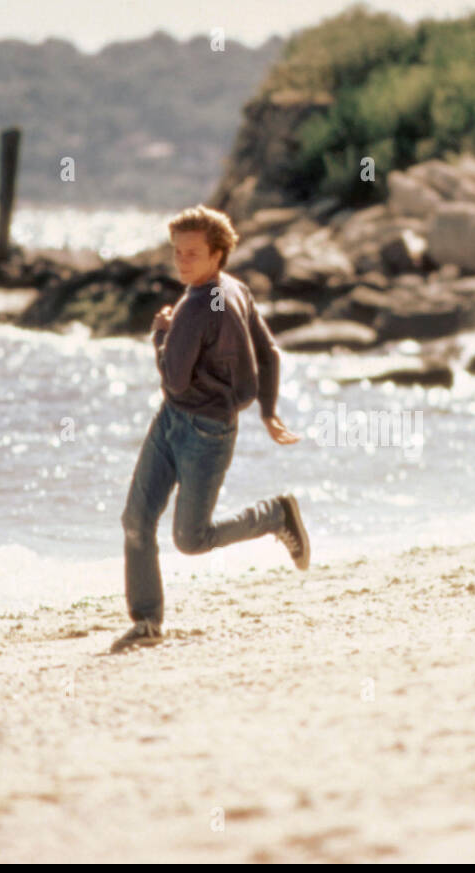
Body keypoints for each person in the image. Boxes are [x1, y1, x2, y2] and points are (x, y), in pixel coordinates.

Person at [111, 205, 309, 653]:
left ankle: (276, 515)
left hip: (204, 431)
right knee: (136, 520)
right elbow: (270, 353)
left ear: (217, 254)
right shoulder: (232, 289)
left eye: (193, 254)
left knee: (190, 538)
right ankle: (147, 621)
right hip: (177, 420)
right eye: (178, 252)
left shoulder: (199, 306)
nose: (182, 262)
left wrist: (161, 333)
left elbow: (175, 378)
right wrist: (268, 410)